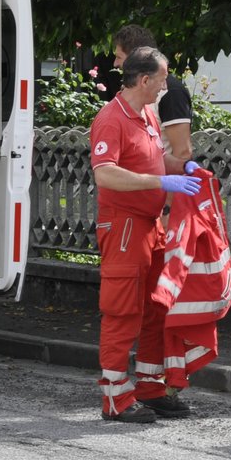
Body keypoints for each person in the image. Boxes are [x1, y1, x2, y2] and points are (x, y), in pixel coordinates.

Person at [90, 46, 206, 423]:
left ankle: (150, 388)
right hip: (124, 226)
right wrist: (162, 179)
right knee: (123, 312)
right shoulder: (112, 120)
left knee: (158, 308)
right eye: (162, 78)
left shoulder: (146, 116)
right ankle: (115, 398)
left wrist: (184, 166)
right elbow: (105, 173)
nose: (165, 85)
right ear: (143, 80)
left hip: (148, 226)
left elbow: (157, 160)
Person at [113, 24, 193, 163]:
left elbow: (183, 153)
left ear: (136, 58)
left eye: (119, 57)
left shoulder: (171, 92)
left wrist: (168, 182)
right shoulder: (131, 90)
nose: (115, 63)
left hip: (160, 182)